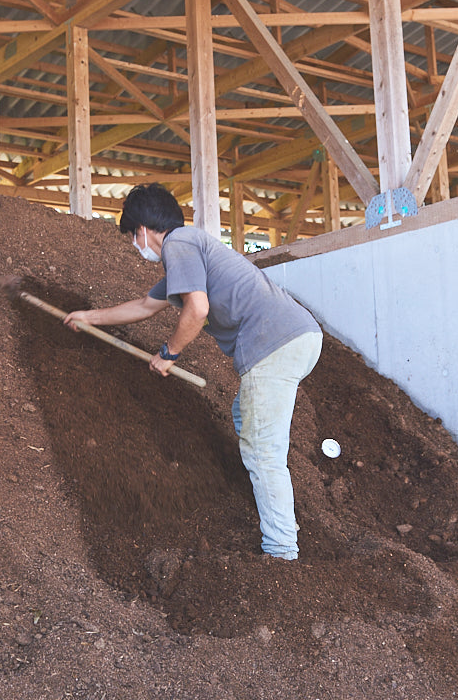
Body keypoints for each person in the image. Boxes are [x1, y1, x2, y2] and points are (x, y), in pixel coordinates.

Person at [62, 183, 323, 561]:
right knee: (244, 417)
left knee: (264, 453)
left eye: (134, 236)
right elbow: (143, 305)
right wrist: (89, 317)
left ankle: (282, 551)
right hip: (298, 336)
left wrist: (169, 352)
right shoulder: (192, 254)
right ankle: (264, 491)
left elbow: (197, 310)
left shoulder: (178, 244)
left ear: (143, 230)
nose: (137, 245)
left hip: (273, 343)